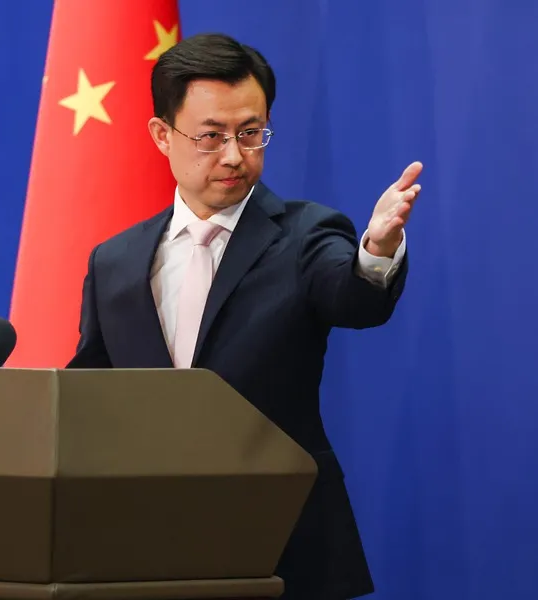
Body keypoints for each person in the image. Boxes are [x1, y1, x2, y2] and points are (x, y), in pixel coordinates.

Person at [65, 33, 422, 600]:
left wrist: (376, 251)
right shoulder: (116, 261)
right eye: (211, 136)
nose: (234, 155)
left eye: (251, 133)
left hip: (281, 537)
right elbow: (90, 390)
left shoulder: (306, 233)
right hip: (146, 541)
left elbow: (353, 297)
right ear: (162, 135)